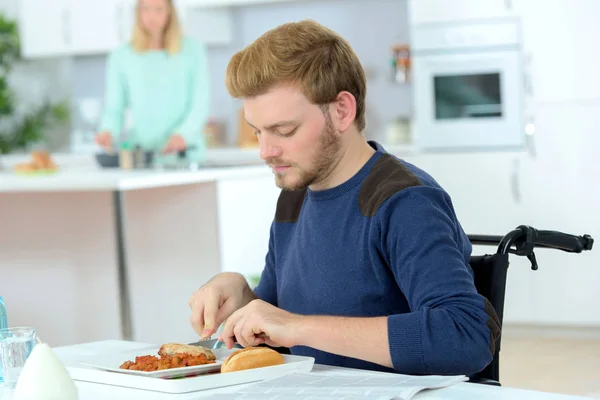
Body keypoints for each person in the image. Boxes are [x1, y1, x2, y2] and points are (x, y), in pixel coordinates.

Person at [188, 20, 501, 376]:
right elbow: (276, 328)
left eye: (284, 130)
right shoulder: (296, 196)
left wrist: (298, 325)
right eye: (257, 131)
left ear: (342, 111)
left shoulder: (406, 202)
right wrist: (243, 296)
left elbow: (465, 336)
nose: (265, 150)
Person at [95, 0, 210, 155]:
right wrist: (108, 131)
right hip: (143, 155)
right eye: (146, 9)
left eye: (158, 9)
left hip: (186, 153)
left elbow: (200, 104)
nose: (152, 16)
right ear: (138, 12)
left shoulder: (193, 51)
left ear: (170, 11)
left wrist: (183, 135)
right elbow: (114, 108)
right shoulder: (121, 57)